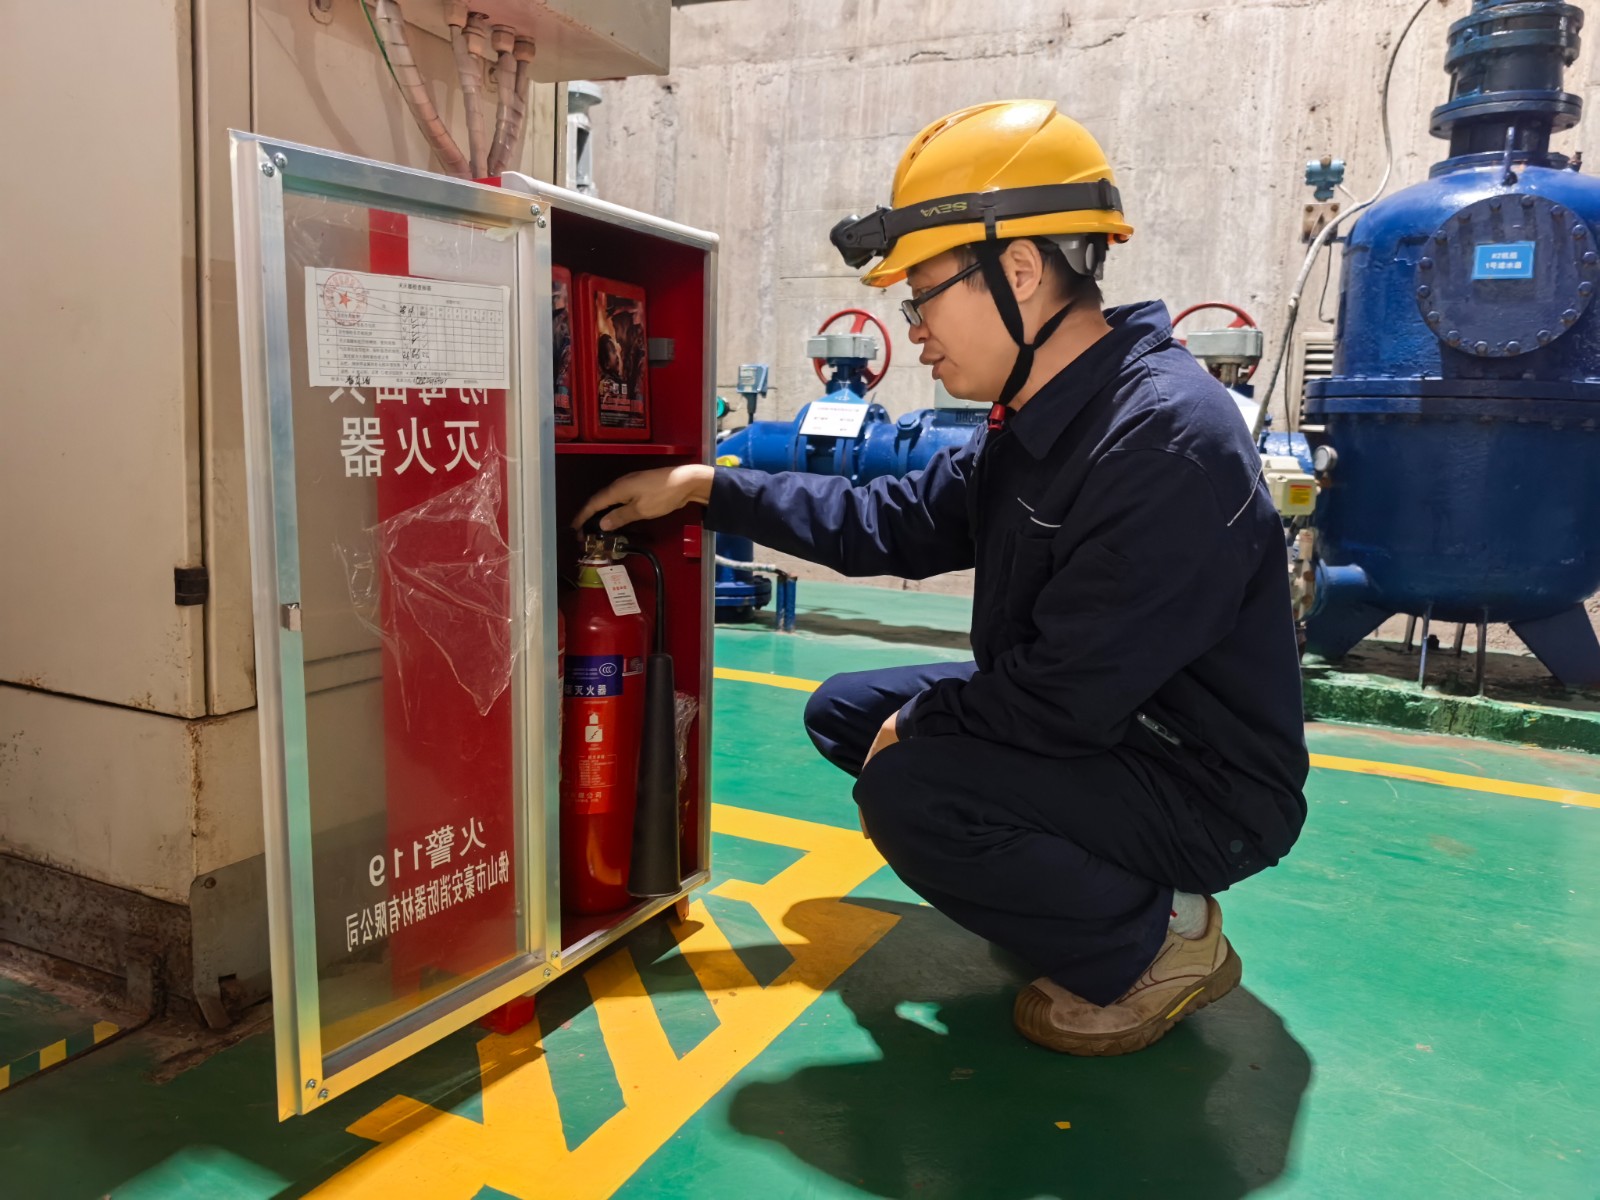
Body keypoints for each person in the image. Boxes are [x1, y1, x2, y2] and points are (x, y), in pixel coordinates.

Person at [574, 100, 1309, 1056]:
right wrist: (710, 490)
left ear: (1019, 272)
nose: (914, 328)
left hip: (1201, 782)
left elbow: (1067, 696)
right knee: (848, 713)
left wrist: (925, 728)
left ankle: (1158, 940)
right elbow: (897, 521)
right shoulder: (1046, 414)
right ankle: (1077, 896)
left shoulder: (1162, 442)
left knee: (910, 785)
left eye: (923, 294)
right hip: (1116, 722)